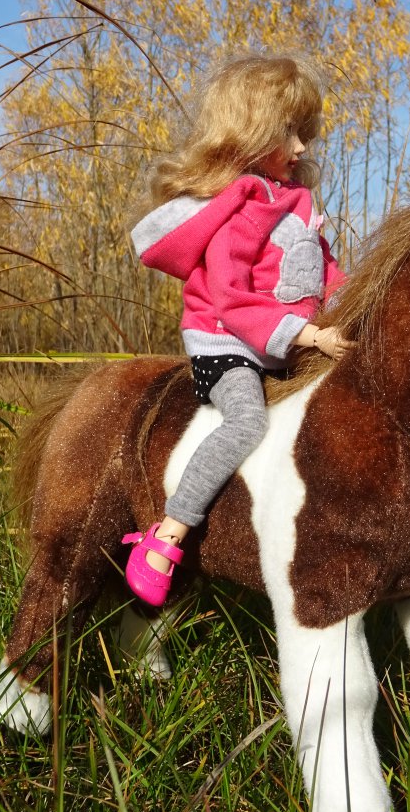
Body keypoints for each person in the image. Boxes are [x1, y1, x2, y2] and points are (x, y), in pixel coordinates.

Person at [123, 54, 352, 607]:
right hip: (225, 341)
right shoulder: (243, 205)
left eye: (305, 133)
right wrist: (311, 336)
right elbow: (231, 299)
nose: (302, 148)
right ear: (252, 134)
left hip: (286, 338)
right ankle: (169, 530)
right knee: (247, 421)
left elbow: (326, 271)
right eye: (289, 133)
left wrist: (352, 309)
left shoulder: (298, 201)